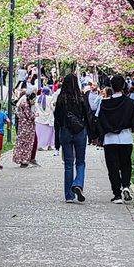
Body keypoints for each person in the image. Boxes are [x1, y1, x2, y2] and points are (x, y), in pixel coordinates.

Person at [97, 73, 134, 203]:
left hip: (109, 140)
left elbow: (99, 122)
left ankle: (117, 194)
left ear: (111, 86)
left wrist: (99, 137)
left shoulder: (105, 104)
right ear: (124, 86)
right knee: (125, 164)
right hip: (126, 138)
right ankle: (126, 186)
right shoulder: (130, 103)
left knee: (113, 167)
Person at [54, 72, 90, 203]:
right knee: (80, 162)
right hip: (80, 132)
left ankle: (69, 195)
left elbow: (57, 119)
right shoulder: (80, 98)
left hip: (65, 131)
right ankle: (78, 184)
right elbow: (87, 116)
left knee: (68, 164)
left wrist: (57, 141)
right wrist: (91, 134)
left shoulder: (60, 99)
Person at [12, 90, 37, 168]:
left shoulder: (23, 104)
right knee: (26, 144)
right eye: (33, 100)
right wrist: (36, 114)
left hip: (22, 127)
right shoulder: (25, 105)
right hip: (27, 128)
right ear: (30, 99)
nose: (34, 102)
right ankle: (24, 160)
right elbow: (30, 116)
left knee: (22, 144)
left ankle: (21, 159)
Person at [35, 86, 57, 151]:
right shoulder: (51, 98)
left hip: (39, 118)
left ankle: (40, 145)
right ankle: (49, 145)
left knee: (40, 133)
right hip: (49, 118)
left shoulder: (38, 98)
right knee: (50, 133)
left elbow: (35, 108)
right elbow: (53, 108)